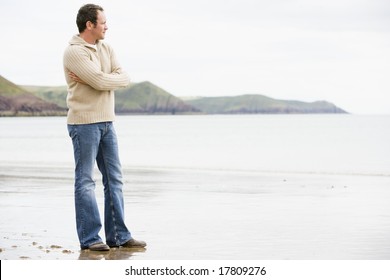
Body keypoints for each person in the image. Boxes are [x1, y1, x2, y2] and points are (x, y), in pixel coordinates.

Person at [63, 3, 146, 251]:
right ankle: (90, 239)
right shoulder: (74, 52)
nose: (107, 26)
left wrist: (103, 79)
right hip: (84, 123)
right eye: (103, 22)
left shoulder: (107, 47)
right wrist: (104, 79)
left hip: (108, 122)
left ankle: (119, 236)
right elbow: (99, 80)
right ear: (90, 24)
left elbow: (124, 77)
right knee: (85, 181)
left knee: (115, 180)